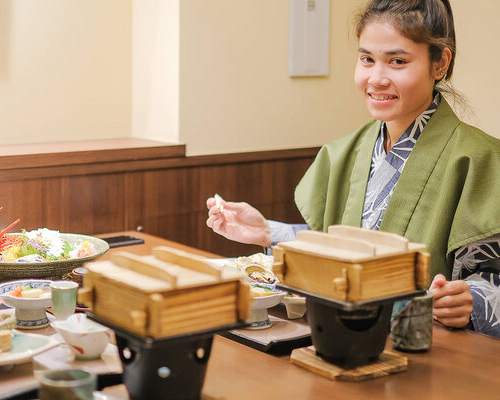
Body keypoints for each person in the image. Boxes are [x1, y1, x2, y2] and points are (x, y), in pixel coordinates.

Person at [206, 0, 500, 337]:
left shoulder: (481, 160)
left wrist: (472, 301)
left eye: (398, 61)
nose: (376, 78)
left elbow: (492, 282)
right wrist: (267, 232)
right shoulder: (343, 152)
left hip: (433, 359)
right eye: (367, 59)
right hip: (339, 339)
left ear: (440, 63)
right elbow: (345, 252)